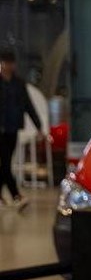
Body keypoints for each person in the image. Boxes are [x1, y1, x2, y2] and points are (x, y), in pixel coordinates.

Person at [0, 49, 41, 211]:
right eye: (5, 63)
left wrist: (38, 126)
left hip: (13, 127)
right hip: (0, 129)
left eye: (10, 63)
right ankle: (16, 196)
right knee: (5, 164)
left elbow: (28, 105)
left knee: (5, 163)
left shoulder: (18, 84)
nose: (8, 66)